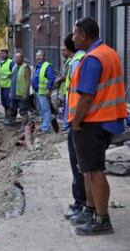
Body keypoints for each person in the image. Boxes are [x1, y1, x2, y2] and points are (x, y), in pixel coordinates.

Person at [69, 17, 127, 235]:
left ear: (84, 35)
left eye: (75, 33)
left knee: (94, 171)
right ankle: (91, 210)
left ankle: (102, 220)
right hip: (107, 120)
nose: (73, 38)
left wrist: (76, 123)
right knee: (90, 169)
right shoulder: (109, 53)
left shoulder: (93, 59)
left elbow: (86, 97)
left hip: (92, 122)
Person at [60, 33, 86, 220]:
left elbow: (82, 96)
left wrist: (74, 122)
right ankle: (82, 203)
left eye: (63, 47)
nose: (61, 50)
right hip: (77, 121)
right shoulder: (79, 60)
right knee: (81, 166)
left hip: (78, 122)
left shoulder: (78, 62)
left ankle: (81, 204)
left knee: (79, 165)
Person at [32, 50, 55, 133]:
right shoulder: (37, 66)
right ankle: (43, 125)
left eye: (40, 55)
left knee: (45, 110)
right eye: (37, 56)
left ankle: (46, 127)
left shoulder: (47, 66)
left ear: (44, 56)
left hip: (43, 92)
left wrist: (49, 89)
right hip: (37, 92)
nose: (38, 57)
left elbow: (51, 78)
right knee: (41, 110)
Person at [9, 52, 31, 125]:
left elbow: (28, 81)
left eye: (20, 57)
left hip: (22, 94)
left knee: (23, 110)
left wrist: (26, 93)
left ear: (22, 59)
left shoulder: (26, 67)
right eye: (16, 57)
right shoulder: (14, 66)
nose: (18, 59)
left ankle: (24, 125)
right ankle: (12, 122)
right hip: (13, 93)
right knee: (12, 108)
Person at [0, 49, 15, 125]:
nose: (2, 55)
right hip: (3, 87)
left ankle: (11, 119)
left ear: (7, 54)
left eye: (3, 54)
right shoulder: (0, 63)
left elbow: (15, 73)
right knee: (4, 103)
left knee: (9, 103)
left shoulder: (11, 63)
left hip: (9, 87)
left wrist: (10, 76)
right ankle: (6, 117)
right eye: (1, 54)